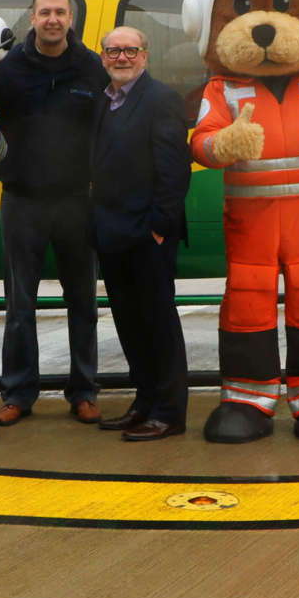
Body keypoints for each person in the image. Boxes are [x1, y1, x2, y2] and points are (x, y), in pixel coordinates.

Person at [0, 0, 110, 426]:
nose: (53, 19)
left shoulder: (92, 68)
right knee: (19, 305)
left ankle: (84, 391)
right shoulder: (9, 69)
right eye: (45, 12)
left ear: (70, 19)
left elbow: (108, 126)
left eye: (60, 12)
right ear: (33, 18)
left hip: (78, 201)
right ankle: (18, 394)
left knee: (83, 303)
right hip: (22, 201)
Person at [88, 27, 191, 441]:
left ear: (145, 55)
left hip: (148, 236)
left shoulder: (161, 99)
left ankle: (169, 412)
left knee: (158, 325)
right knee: (130, 325)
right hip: (113, 233)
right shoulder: (105, 100)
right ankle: (144, 403)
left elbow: (174, 169)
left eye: (131, 50)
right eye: (113, 51)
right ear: (103, 57)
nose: (122, 58)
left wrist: (160, 229)